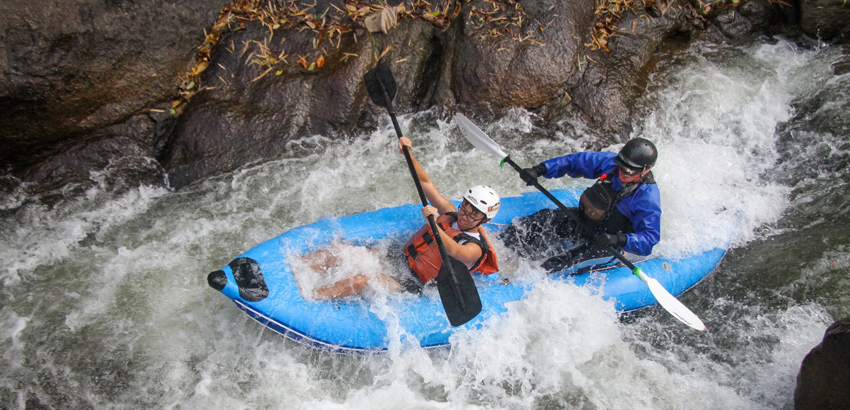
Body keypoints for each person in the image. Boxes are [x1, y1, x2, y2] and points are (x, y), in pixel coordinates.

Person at [306, 136, 501, 299]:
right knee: (343, 251)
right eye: (466, 207)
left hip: (416, 284)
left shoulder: (474, 248)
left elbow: (454, 250)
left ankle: (311, 297)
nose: (466, 215)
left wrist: (433, 224)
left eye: (474, 214)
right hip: (400, 258)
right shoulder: (450, 213)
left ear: (485, 220)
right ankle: (300, 269)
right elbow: (425, 183)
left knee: (361, 280)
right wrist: (408, 154)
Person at [499, 138, 661, 274]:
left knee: (555, 265)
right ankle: (498, 248)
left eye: (630, 171)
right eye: (621, 165)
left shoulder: (647, 197)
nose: (622, 172)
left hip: (607, 244)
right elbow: (575, 162)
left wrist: (617, 239)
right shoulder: (611, 164)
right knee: (542, 219)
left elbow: (649, 239)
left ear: (646, 170)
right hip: (584, 222)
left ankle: (520, 280)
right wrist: (540, 170)